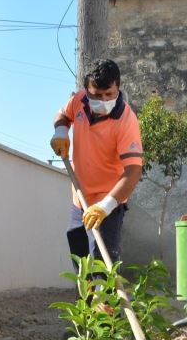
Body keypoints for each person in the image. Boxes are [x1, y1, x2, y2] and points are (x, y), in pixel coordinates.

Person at [49, 59, 143, 265]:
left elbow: (134, 170)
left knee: (103, 268)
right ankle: (86, 298)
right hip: (80, 200)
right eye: (96, 95)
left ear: (118, 87)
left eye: (109, 94)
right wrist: (61, 131)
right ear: (86, 91)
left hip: (107, 206)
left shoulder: (126, 121)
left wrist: (105, 207)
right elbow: (63, 114)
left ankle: (106, 299)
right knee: (81, 266)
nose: (103, 100)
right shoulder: (79, 101)